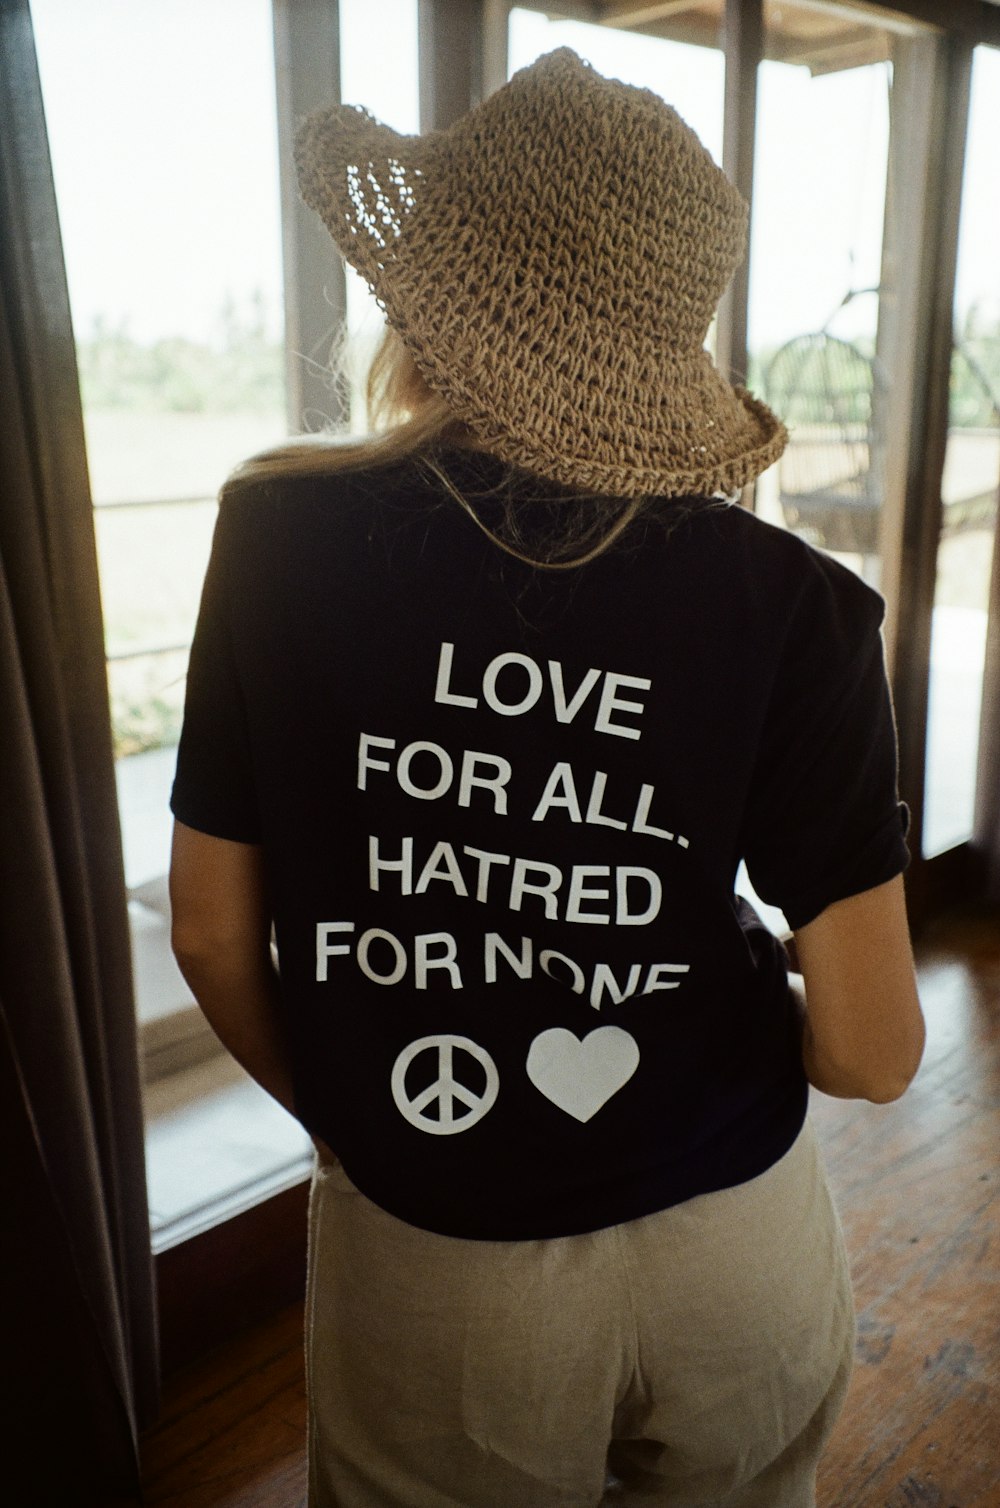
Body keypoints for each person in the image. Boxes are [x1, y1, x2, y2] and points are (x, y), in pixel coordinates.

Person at [168, 47, 925, 1508]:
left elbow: (208, 928)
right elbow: (876, 1052)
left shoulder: (274, 540)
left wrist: (352, 1117)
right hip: (737, 1247)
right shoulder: (794, 606)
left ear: (430, 300)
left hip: (438, 1247)